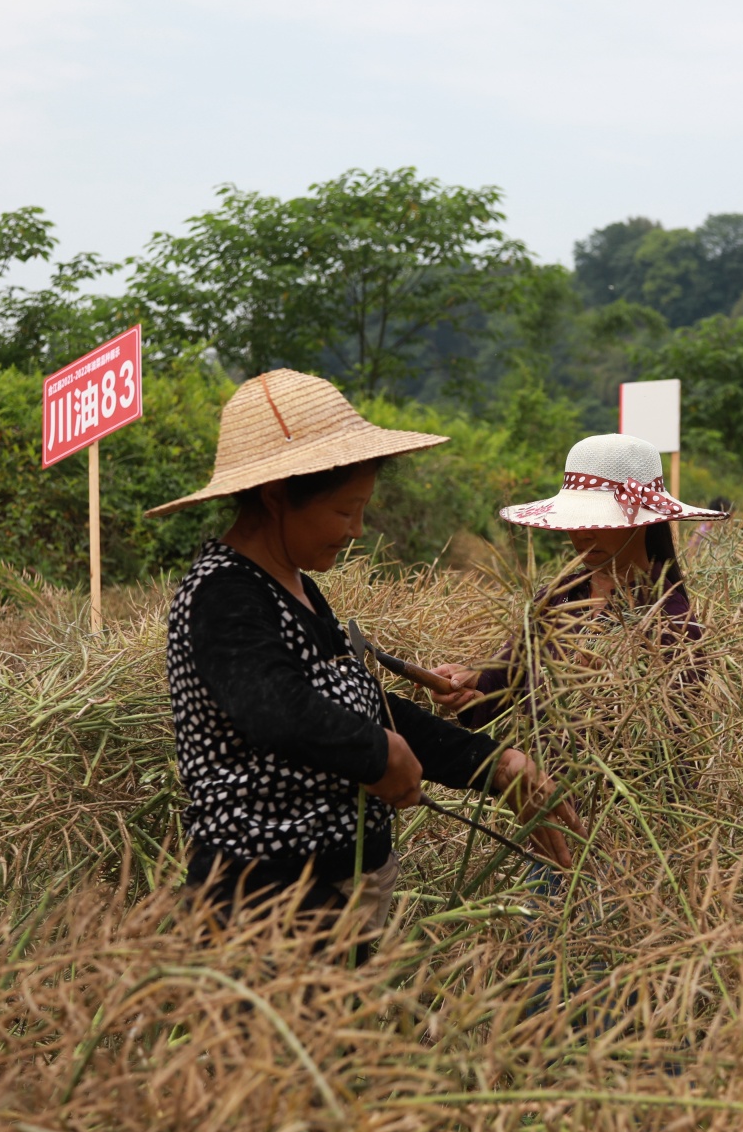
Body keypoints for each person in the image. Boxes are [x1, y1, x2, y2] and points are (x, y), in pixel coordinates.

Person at [144, 369, 584, 953]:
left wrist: (495, 765)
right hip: (267, 898)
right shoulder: (224, 593)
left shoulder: (293, 584)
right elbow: (270, 705)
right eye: (342, 511)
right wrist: (376, 752)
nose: (356, 530)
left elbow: (361, 703)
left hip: (334, 888)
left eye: (362, 510)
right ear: (276, 496)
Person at [424, 433, 728, 730]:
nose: (582, 533)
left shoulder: (669, 619)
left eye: (598, 520)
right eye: (575, 520)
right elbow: (508, 675)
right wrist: (470, 683)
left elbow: (665, 737)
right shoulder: (558, 597)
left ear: (644, 522)